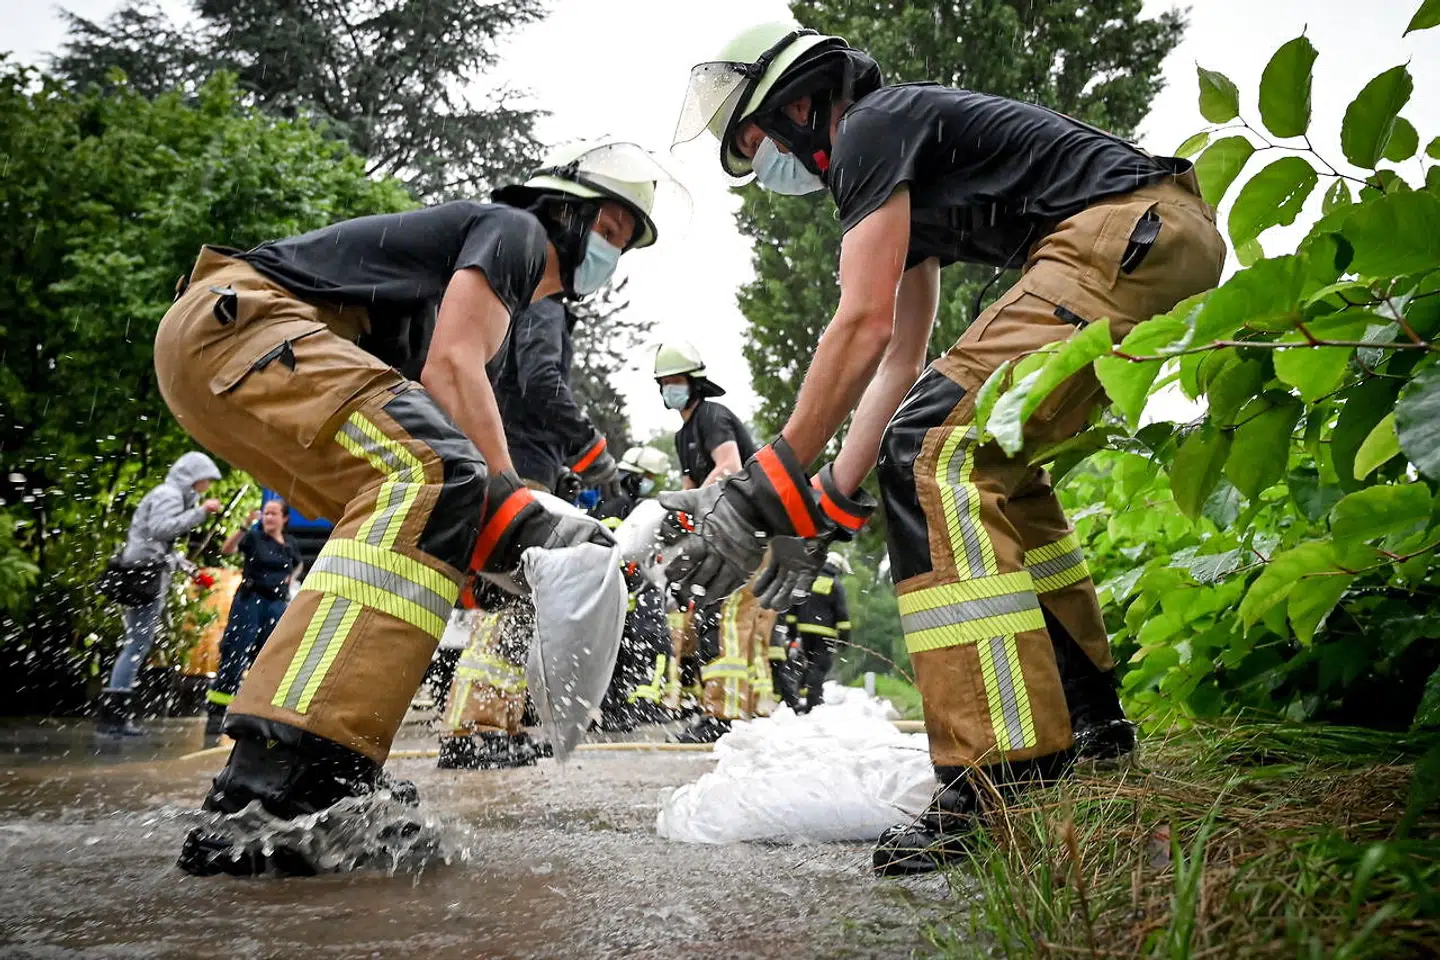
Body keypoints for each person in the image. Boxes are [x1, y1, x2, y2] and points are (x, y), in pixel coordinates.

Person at [666, 22, 1226, 874]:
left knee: (933, 447)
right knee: (983, 461)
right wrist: (826, 502)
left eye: (751, 135)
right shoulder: (897, 156)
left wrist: (764, 485)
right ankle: (1089, 730)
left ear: (800, 102)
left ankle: (996, 774)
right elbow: (899, 350)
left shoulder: (868, 129)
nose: (757, 161)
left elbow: (854, 327)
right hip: (1160, 236)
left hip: (1121, 232)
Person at [156, 139, 678, 876]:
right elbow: (455, 371)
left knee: (417, 516)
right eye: (610, 229)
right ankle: (270, 782)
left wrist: (479, 540)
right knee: (443, 476)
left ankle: (330, 773)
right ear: (564, 211)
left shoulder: (421, 299)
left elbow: (430, 415)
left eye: (624, 242)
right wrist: (515, 504)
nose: (609, 252)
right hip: (243, 325)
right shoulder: (516, 230)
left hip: (225, 346)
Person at [433, 145, 639, 772]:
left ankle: (491, 719)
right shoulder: (544, 296)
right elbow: (543, 381)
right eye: (605, 232)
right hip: (520, 457)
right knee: (517, 592)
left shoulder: (531, 294)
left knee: (514, 590)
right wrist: (594, 452)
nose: (609, 254)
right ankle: (478, 725)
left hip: (513, 451)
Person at [651, 343, 778, 744]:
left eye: (676, 382)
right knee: (740, 620)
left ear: (694, 383)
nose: (670, 390)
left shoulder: (712, 416)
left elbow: (729, 467)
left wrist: (699, 507)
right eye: (664, 383)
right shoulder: (684, 434)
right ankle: (754, 709)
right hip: (731, 531)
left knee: (730, 615)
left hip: (752, 527)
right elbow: (690, 488)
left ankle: (723, 714)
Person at [97, 451, 223, 737]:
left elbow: (163, 547)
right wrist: (201, 512)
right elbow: (160, 530)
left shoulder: (172, 495)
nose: (207, 487)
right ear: (194, 476)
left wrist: (191, 571)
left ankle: (114, 716)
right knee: (136, 646)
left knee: (136, 644)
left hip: (144, 574)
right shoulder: (169, 495)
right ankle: (113, 718)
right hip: (144, 578)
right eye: (206, 480)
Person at [204, 498, 303, 738]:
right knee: (235, 654)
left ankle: (259, 713)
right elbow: (226, 550)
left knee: (269, 658)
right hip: (250, 602)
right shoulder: (254, 538)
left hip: (276, 605)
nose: (268, 518)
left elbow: (298, 565)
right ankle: (216, 713)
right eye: (266, 513)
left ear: (284, 518)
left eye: (273, 514)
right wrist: (245, 526)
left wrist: (291, 580)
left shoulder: (290, 544)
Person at [779, 551, 851, 714]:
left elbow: (793, 609)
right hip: (826, 633)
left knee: (810, 664)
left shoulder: (807, 581)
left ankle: (803, 694)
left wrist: (791, 634)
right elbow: (842, 615)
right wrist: (844, 638)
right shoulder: (834, 585)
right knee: (820, 665)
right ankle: (814, 700)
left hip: (805, 631)